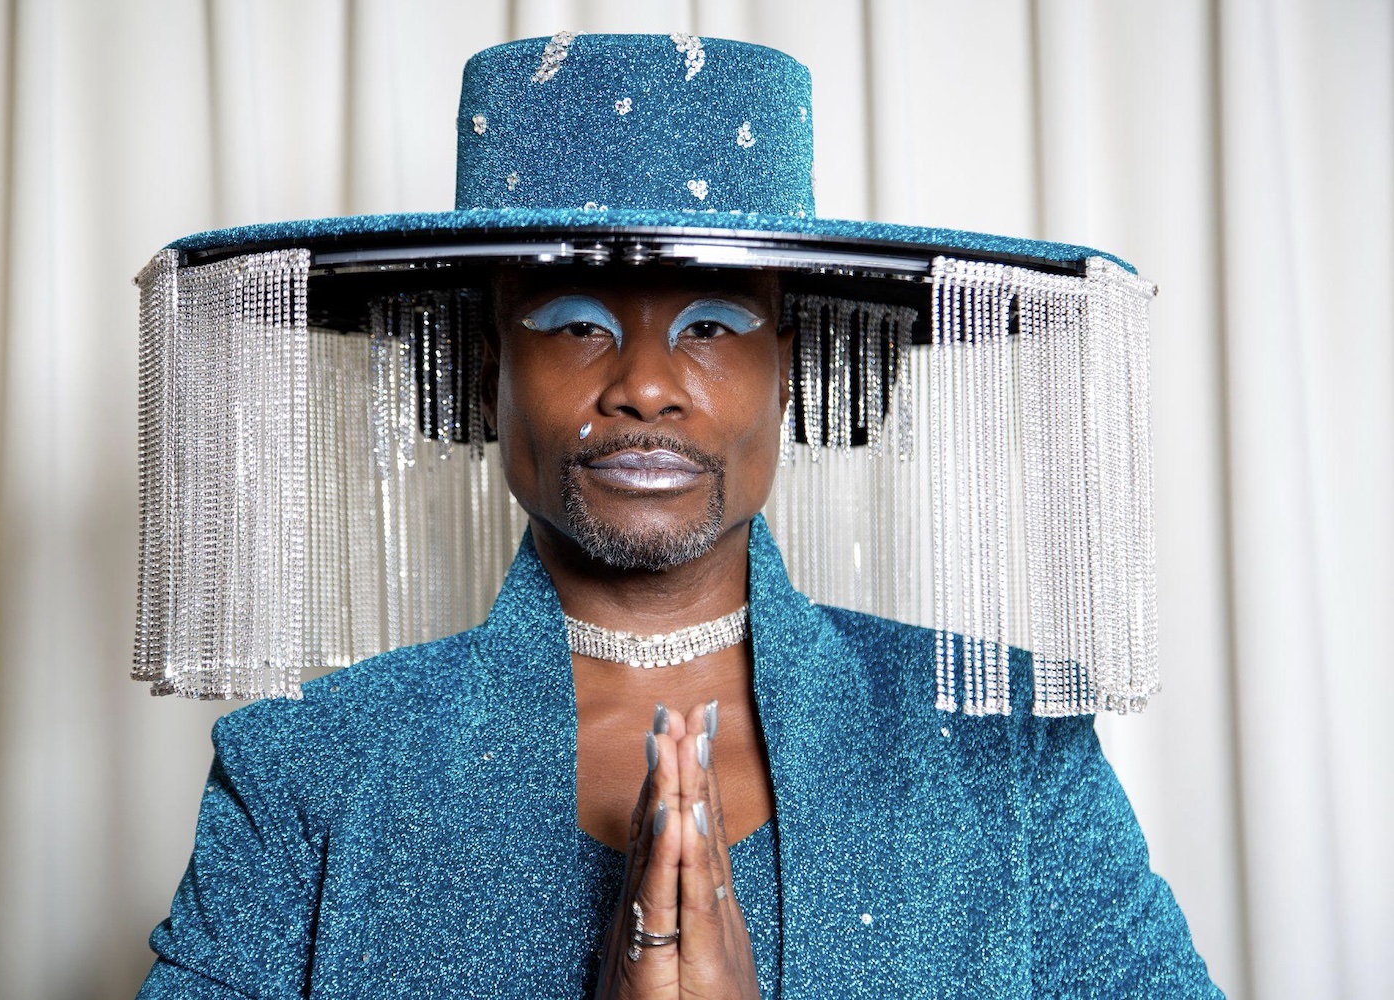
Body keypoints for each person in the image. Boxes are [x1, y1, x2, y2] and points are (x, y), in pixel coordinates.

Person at [134, 32, 1222, 998]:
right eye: (573, 323)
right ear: (482, 375)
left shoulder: (1007, 747)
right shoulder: (308, 769)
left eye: (711, 322)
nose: (646, 386)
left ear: (789, 374)